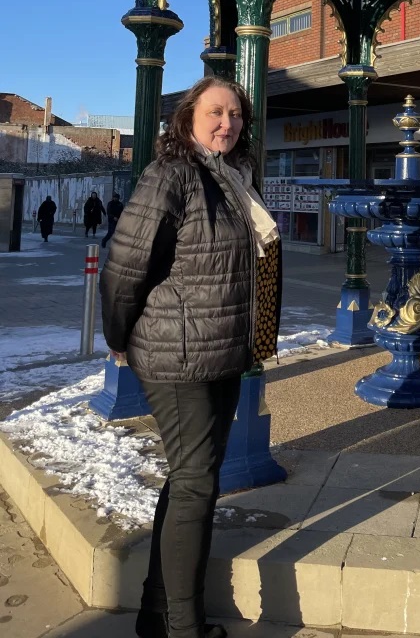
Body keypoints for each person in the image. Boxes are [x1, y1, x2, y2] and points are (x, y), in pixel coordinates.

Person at [100, 78, 282, 638]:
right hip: (176, 354)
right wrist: (118, 338)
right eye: (214, 112)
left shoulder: (232, 178)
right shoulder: (171, 175)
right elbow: (125, 268)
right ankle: (183, 626)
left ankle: (158, 613)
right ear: (188, 119)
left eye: (234, 114)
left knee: (188, 479)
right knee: (197, 483)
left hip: (220, 348)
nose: (226, 123)